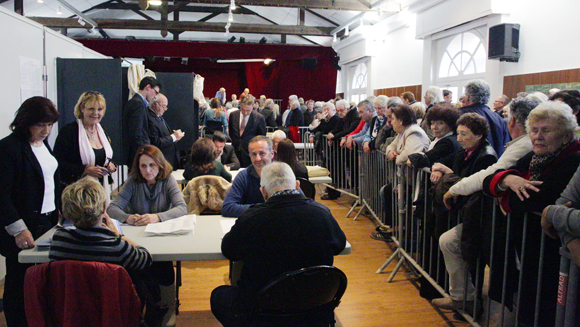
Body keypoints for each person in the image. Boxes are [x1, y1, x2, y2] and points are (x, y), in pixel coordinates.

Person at [429, 98, 540, 313]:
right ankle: (464, 297)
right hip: (490, 216)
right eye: (536, 129)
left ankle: (481, 303)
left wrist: (454, 187)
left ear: (512, 121)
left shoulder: (515, 147)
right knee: (451, 242)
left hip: (499, 218)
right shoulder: (516, 144)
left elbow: (489, 174)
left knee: (494, 263)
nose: (539, 136)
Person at [210, 162, 347, 327]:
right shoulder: (322, 213)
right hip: (314, 306)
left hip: (264, 311)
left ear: (263, 192)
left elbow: (229, 250)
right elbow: (339, 246)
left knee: (220, 295)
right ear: (297, 185)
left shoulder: (252, 218)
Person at [482, 101, 580, 327]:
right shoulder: (534, 157)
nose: (538, 136)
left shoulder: (573, 159)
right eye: (534, 130)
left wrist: (504, 191)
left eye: (546, 130)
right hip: (526, 247)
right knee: (526, 300)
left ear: (565, 135)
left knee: (546, 307)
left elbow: (537, 198)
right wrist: (507, 180)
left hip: (551, 251)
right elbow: (490, 182)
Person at [48, 177, 166, 326]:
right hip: (111, 312)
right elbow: (145, 257)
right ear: (104, 209)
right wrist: (118, 235)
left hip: (72, 312)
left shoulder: (59, 241)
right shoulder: (117, 247)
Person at [107, 144, 186, 326]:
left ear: (159, 165)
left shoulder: (168, 180)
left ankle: (166, 310)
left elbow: (182, 207)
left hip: (162, 238)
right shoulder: (133, 181)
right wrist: (128, 218)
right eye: (143, 166)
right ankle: (148, 308)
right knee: (138, 268)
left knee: (162, 266)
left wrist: (157, 217)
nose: (148, 170)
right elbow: (112, 208)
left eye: (152, 165)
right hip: (137, 240)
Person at [0, 96, 60, 327]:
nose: (46, 130)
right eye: (41, 125)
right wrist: (19, 229)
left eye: (50, 124)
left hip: (47, 221)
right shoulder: (8, 147)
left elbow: (48, 179)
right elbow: (2, 195)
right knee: (18, 281)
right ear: (26, 122)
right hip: (23, 226)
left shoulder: (41, 143)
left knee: (42, 279)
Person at [428, 113, 497, 311]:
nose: (459, 138)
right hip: (465, 212)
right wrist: (443, 171)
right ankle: (462, 297)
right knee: (449, 242)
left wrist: (447, 174)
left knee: (469, 255)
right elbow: (457, 174)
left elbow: (470, 183)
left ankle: (471, 301)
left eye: (464, 134)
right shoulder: (464, 152)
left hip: (480, 216)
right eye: (458, 133)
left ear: (479, 135)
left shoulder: (486, 156)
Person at [54, 91, 117, 198]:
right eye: (91, 109)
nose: (96, 113)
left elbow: (104, 157)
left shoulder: (102, 131)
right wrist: (84, 170)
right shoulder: (69, 131)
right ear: (82, 109)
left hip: (100, 191)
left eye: (100, 109)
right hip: (76, 192)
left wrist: (112, 165)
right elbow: (58, 163)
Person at [222, 136, 274, 217]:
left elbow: (300, 202)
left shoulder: (283, 174)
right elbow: (227, 208)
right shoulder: (243, 176)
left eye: (262, 153)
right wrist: (264, 209)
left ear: (272, 154)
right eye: (253, 154)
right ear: (249, 155)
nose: (258, 158)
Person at [460, 79, 510, 156]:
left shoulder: (461, 115)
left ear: (467, 97)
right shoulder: (499, 119)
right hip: (494, 162)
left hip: (470, 164)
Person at [407, 102, 461, 169]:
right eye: (432, 123)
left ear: (450, 124)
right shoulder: (441, 138)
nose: (434, 127)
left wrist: (412, 158)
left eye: (440, 123)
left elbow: (423, 160)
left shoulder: (446, 142)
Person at [123, 76, 161, 166]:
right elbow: (136, 134)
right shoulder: (138, 104)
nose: (155, 96)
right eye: (155, 92)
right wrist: (144, 154)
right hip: (137, 155)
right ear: (147, 87)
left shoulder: (138, 102)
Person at [228, 94, 267, 167]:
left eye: (248, 110)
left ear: (253, 106)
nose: (245, 112)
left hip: (251, 154)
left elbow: (262, 137)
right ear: (240, 105)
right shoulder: (233, 115)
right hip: (235, 153)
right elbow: (231, 132)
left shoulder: (259, 118)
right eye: (243, 109)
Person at [148, 93, 184, 169]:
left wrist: (175, 138)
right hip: (161, 161)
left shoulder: (158, 117)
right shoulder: (151, 119)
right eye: (163, 106)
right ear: (155, 104)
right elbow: (156, 142)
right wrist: (173, 136)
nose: (165, 109)